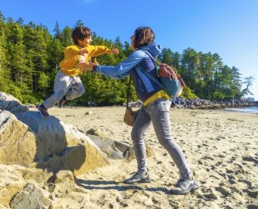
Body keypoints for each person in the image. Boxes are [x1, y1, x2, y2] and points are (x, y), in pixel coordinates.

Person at [77, 26, 199, 195]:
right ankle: (143, 172)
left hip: (158, 102)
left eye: (133, 36)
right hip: (148, 104)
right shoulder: (142, 55)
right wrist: (97, 68)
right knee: (136, 134)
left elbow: (119, 69)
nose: (130, 37)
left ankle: (188, 179)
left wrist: (93, 67)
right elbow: (120, 75)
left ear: (140, 38)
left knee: (166, 140)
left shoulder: (140, 54)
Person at [38, 25, 119, 118]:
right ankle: (43, 107)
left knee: (80, 90)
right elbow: (68, 50)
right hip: (64, 74)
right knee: (58, 94)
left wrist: (109, 50)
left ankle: (64, 98)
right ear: (80, 40)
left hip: (75, 75)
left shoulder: (89, 48)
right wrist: (79, 52)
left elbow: (97, 48)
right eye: (88, 38)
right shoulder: (72, 48)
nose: (91, 40)